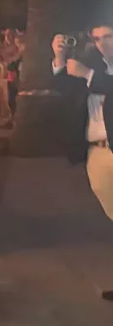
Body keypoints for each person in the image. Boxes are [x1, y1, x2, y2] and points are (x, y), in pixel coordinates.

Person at [52, 26, 113, 298]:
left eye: (108, 36)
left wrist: (89, 75)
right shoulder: (93, 67)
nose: (102, 43)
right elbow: (63, 86)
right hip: (97, 153)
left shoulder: (95, 73)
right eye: (97, 38)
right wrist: (60, 58)